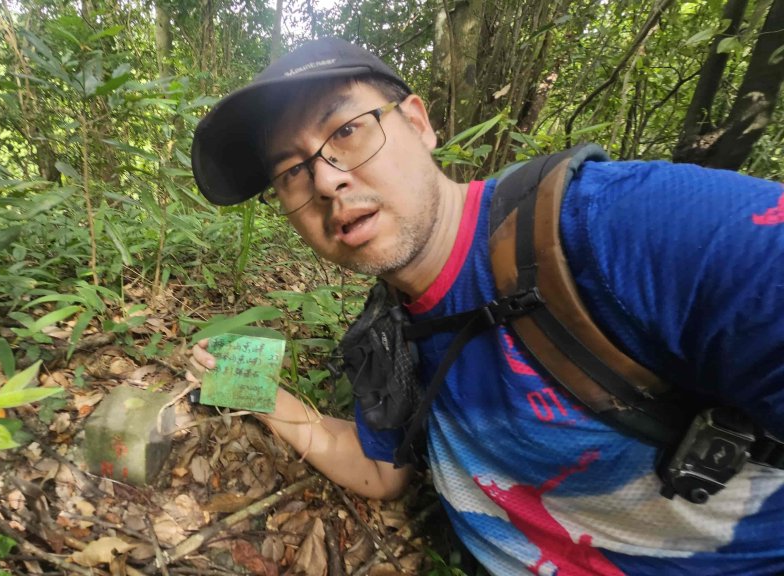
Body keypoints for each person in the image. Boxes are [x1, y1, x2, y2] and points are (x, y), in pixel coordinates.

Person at [189, 38, 784, 575]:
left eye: (346, 130)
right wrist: (256, 392)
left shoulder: (620, 226)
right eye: (292, 171)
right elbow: (380, 472)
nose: (325, 181)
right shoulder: (387, 331)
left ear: (419, 123)